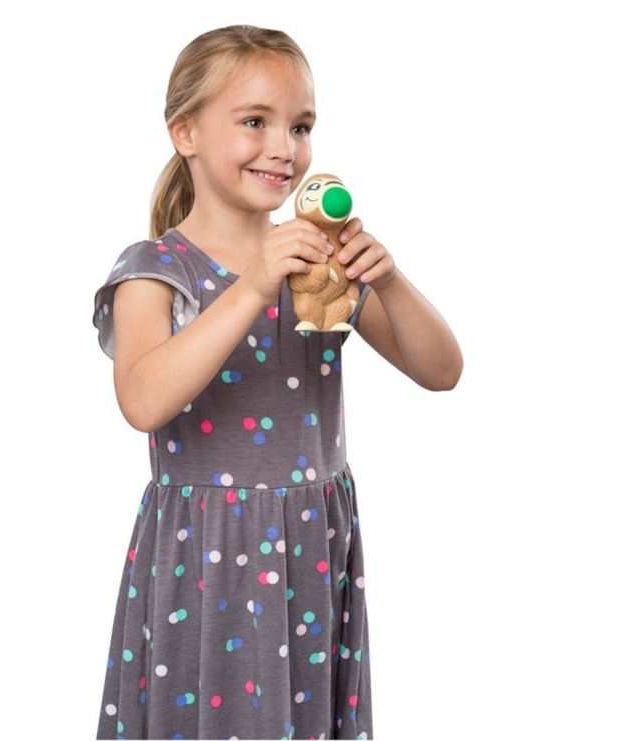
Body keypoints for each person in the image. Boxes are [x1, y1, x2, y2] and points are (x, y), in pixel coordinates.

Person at [92, 24, 463, 740]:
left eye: (300, 126)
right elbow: (142, 400)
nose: (284, 148)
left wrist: (386, 278)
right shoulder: (155, 270)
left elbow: (441, 370)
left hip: (311, 542)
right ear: (185, 132)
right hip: (206, 551)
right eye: (254, 122)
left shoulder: (318, 267)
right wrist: (255, 283)